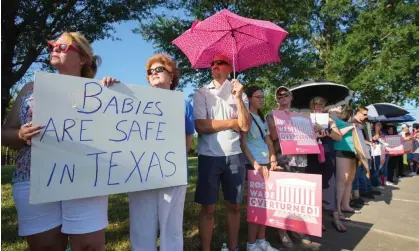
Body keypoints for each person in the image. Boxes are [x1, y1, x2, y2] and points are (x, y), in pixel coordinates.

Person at [2, 32, 108, 251]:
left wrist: (114, 92)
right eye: (52, 46)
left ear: (83, 59)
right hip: (32, 179)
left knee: (88, 246)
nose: (54, 49)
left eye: (62, 47)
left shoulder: (99, 93)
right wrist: (21, 134)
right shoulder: (30, 89)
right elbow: (5, 134)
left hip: (85, 178)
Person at [102, 53, 195, 251]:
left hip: (171, 174)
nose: (153, 73)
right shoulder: (134, 100)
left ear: (171, 76)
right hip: (140, 172)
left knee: (172, 225)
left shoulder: (183, 104)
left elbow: (187, 140)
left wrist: (174, 164)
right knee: (141, 225)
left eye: (159, 69)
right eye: (149, 72)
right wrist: (112, 88)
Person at [193, 54, 250, 251]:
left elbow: (245, 126)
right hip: (209, 156)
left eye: (220, 63)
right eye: (212, 63)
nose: (215, 66)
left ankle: (233, 247)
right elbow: (200, 125)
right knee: (208, 207)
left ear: (229, 67)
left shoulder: (239, 93)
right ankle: (206, 249)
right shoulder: (202, 93)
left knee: (234, 206)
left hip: (234, 155)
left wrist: (238, 99)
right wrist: (231, 123)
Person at [266, 86, 311, 248]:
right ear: (276, 99)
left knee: (298, 196)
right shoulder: (271, 115)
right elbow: (273, 136)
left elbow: (308, 136)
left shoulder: (300, 115)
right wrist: (284, 121)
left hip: (300, 159)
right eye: (279, 95)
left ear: (291, 97)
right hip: (283, 158)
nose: (283, 97)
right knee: (283, 197)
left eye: (286, 94)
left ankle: (295, 228)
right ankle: (282, 232)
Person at [240, 86, 281, 251]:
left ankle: (262, 241)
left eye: (263, 97)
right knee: (255, 205)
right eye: (258, 97)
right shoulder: (246, 116)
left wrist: (272, 159)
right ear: (249, 98)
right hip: (254, 164)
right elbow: (243, 143)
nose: (262, 100)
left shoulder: (261, 117)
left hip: (266, 162)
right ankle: (251, 244)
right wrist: (255, 164)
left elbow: (269, 140)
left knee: (266, 205)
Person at [305, 97, 346, 233]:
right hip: (311, 156)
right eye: (314, 104)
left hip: (327, 155)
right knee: (314, 187)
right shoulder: (306, 119)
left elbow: (339, 136)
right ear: (311, 106)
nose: (317, 107)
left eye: (320, 105)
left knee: (330, 185)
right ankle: (318, 219)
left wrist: (326, 131)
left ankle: (336, 218)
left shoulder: (329, 119)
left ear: (324, 107)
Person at [334, 107, 368, 220]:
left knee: (350, 180)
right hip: (341, 150)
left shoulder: (346, 121)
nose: (340, 106)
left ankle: (345, 205)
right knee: (342, 180)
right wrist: (351, 126)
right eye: (338, 105)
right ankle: (337, 209)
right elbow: (337, 134)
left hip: (353, 152)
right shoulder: (332, 119)